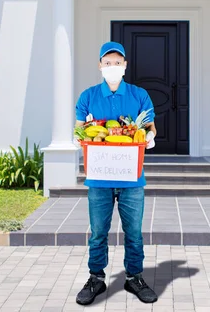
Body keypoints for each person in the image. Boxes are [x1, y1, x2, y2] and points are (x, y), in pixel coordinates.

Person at [73, 41, 158, 305]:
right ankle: (96, 278)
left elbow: (151, 128)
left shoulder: (139, 95)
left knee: (134, 232)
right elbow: (77, 130)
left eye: (117, 63)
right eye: (107, 63)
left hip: (132, 177)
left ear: (125, 66)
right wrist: (79, 138)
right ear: (100, 66)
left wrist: (150, 137)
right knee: (98, 231)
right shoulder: (87, 96)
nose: (112, 67)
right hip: (99, 178)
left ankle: (134, 277)